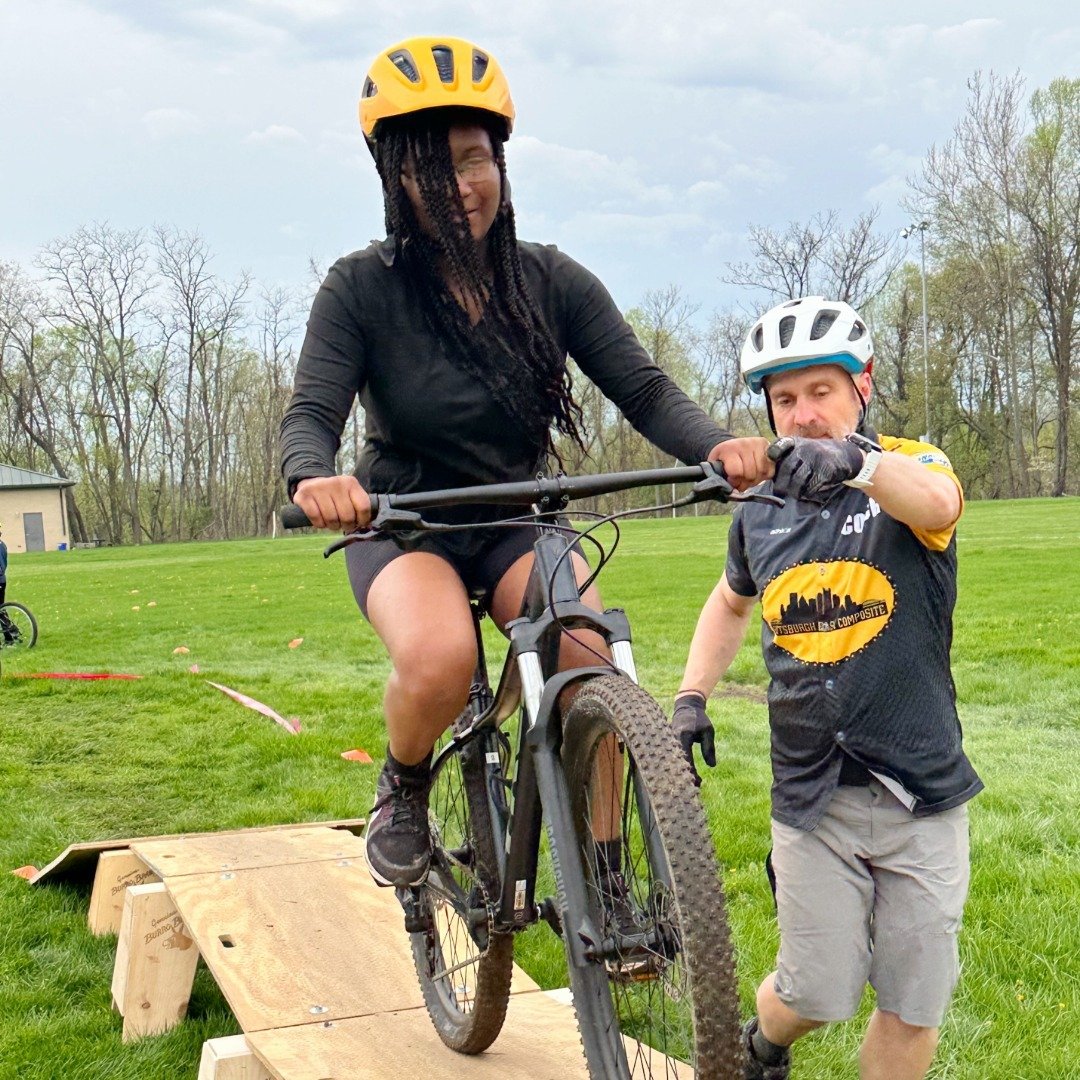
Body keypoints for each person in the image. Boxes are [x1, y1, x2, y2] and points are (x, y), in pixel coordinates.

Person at [279, 36, 771, 891]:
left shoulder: (552, 282)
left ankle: (610, 871)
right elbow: (312, 411)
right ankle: (403, 781)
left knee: (590, 654)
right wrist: (314, 477)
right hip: (406, 524)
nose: (460, 185)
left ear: (501, 162)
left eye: (474, 160)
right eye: (433, 168)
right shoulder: (361, 288)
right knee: (442, 661)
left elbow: (645, 389)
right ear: (396, 179)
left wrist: (715, 445)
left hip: (519, 519)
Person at [671, 296, 982, 1080]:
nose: (805, 416)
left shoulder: (914, 465)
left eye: (822, 391)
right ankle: (763, 1043)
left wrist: (861, 465)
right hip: (813, 794)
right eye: (785, 399)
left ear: (862, 387)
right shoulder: (762, 508)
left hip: (920, 788)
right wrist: (691, 696)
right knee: (815, 990)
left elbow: (938, 502)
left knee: (913, 1005)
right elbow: (731, 601)